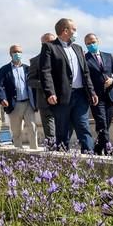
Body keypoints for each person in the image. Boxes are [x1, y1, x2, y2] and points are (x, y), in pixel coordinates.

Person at [40, 18, 98, 153]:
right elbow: (45, 72)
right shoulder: (50, 47)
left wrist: (92, 92)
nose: (76, 32)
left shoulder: (78, 48)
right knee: (62, 131)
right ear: (65, 31)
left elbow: (86, 73)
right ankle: (63, 161)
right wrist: (50, 92)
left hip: (80, 96)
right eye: (74, 29)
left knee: (84, 127)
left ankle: (90, 157)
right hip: (62, 97)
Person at [84, 33, 113, 155]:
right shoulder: (85, 59)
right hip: (96, 97)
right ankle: (109, 150)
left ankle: (97, 148)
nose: (92, 44)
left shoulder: (108, 56)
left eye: (93, 42)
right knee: (102, 123)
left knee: (106, 124)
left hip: (110, 95)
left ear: (98, 41)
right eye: (88, 43)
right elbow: (86, 78)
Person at [0, 45, 38, 149]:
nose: (17, 54)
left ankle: (34, 151)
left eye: (19, 51)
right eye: (15, 52)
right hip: (14, 104)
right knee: (16, 131)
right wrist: (3, 99)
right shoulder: (4, 70)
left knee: (32, 128)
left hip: (28, 103)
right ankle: (19, 152)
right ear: (10, 54)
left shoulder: (27, 69)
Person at [28, 33, 57, 146]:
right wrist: (46, 85)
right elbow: (30, 81)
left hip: (63, 100)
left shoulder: (61, 57)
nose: (52, 45)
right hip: (45, 102)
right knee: (50, 132)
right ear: (43, 45)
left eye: (53, 42)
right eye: (48, 42)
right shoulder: (35, 61)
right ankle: (52, 154)